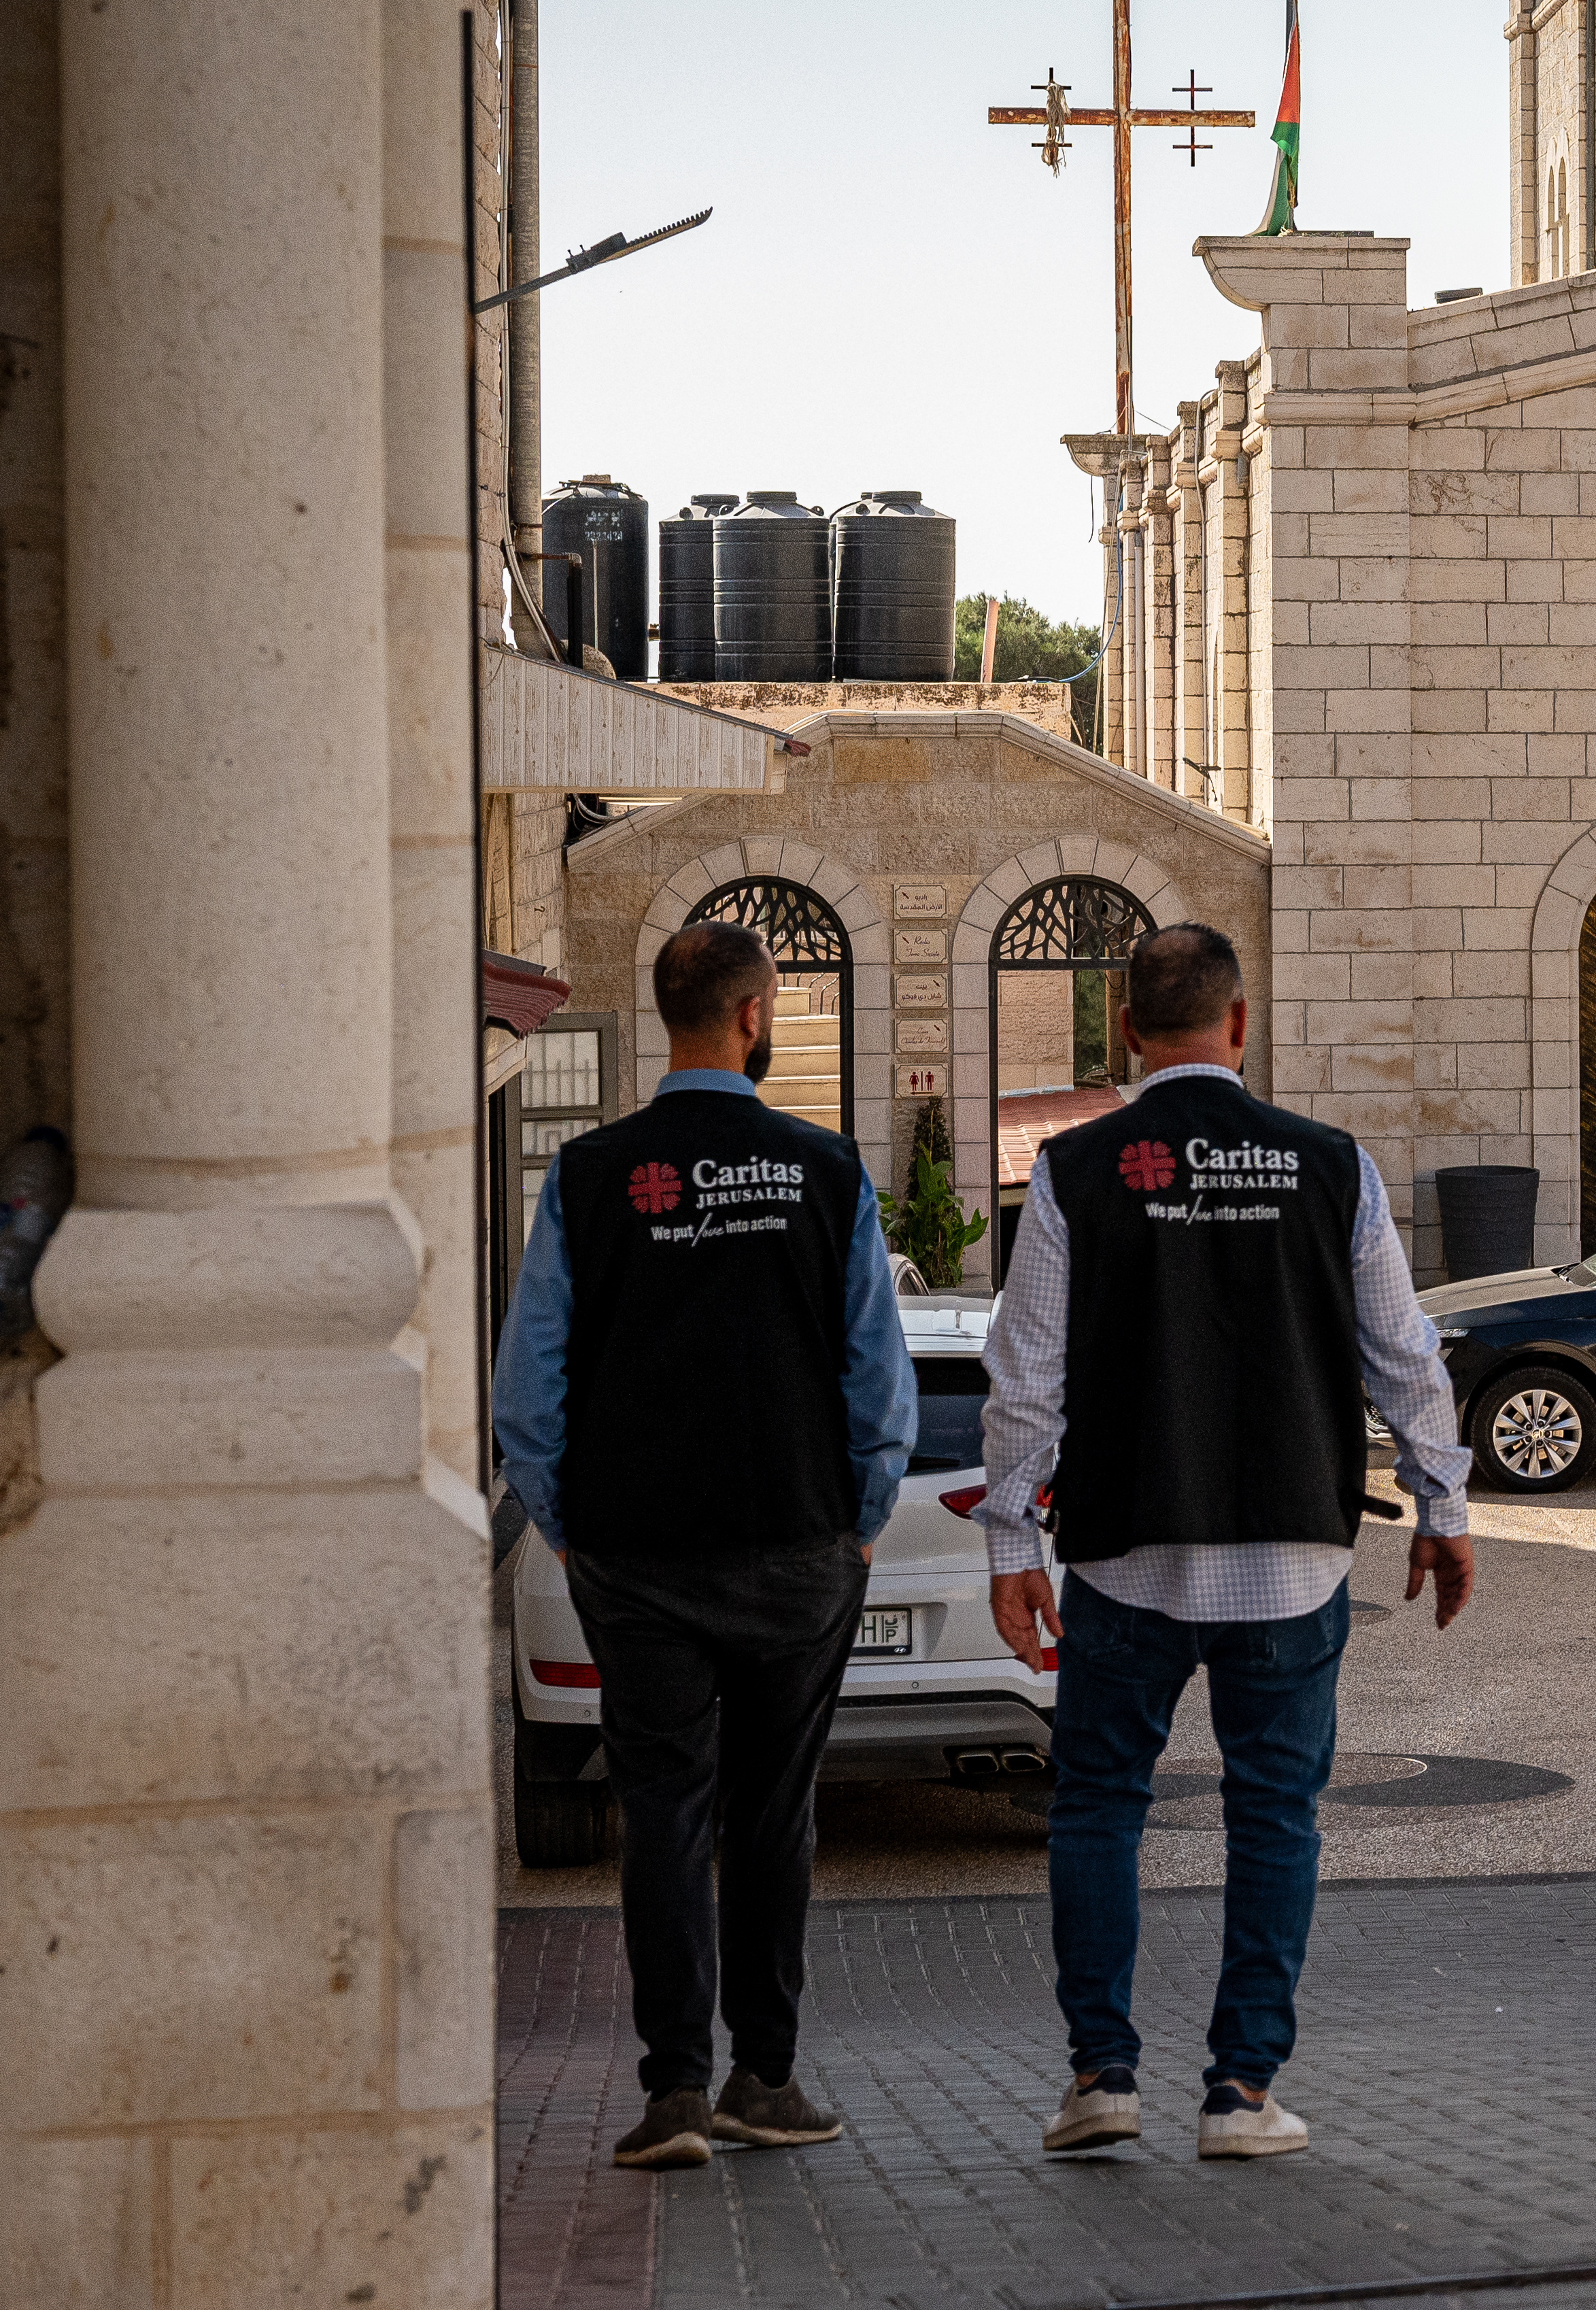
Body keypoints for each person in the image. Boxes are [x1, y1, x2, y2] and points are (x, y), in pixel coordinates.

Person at [977, 921, 1476, 2163]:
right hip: (1291, 1553)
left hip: (1122, 1552)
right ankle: (1242, 2095)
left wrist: (1007, 1543)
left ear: (1127, 1036)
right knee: (1275, 1815)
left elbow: (1024, 1375)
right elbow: (1402, 1355)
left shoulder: (1074, 1170)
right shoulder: (1331, 1166)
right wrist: (1444, 1507)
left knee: (1098, 1807)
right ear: (1241, 1027)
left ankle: (1101, 2079)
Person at [494, 919, 917, 2171]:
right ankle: (764, 2077)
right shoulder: (826, 1171)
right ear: (753, 1017)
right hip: (795, 1543)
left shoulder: (587, 1177)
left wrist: (569, 1527)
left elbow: (531, 1388)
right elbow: (876, 1384)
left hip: (637, 1556)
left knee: (666, 1810)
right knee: (772, 1816)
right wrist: (860, 1521)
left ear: (668, 1013)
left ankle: (672, 2091)